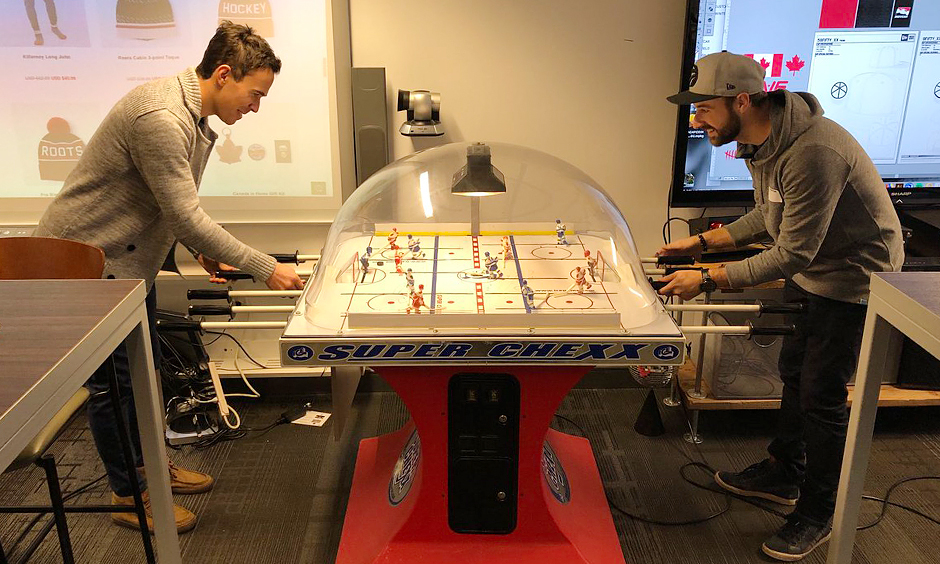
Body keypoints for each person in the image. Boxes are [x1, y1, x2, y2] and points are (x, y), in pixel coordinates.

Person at [33, 21, 304, 533]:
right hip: (87, 265)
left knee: (145, 374)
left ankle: (151, 469)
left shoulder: (190, 114)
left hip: (129, 265)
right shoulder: (159, 117)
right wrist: (265, 268)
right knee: (115, 386)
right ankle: (131, 494)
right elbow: (184, 215)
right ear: (223, 75)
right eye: (255, 94)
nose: (255, 107)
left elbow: (167, 206)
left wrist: (199, 249)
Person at [661, 51, 903, 561]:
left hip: (853, 277)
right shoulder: (763, 143)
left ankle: (819, 513)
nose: (697, 121)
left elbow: (793, 251)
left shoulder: (814, 151)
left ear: (741, 101)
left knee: (821, 395)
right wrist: (701, 244)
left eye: (703, 109)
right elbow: (766, 217)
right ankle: (784, 473)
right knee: (794, 372)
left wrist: (706, 279)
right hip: (814, 266)